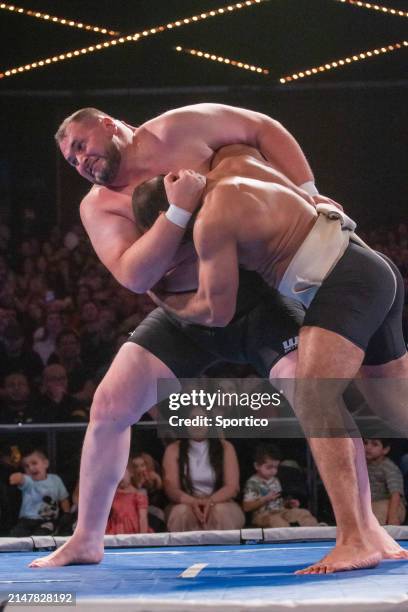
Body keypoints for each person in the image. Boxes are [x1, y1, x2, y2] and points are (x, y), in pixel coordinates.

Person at [29, 103, 313, 568]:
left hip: (254, 300)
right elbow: (133, 274)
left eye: (81, 146)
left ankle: (360, 527)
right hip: (186, 313)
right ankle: (86, 538)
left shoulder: (179, 128)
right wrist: (177, 212)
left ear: (108, 123)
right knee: (108, 407)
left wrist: (310, 192)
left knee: (315, 395)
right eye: (71, 160)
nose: (80, 161)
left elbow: (265, 126)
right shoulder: (98, 204)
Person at [129, 145, 408, 573]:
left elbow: (218, 314)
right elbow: (262, 134)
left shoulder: (208, 224)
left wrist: (162, 297)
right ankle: (368, 535)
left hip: (343, 283)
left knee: (314, 399)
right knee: (401, 410)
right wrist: (311, 193)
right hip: (369, 265)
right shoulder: (237, 164)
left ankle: (355, 539)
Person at [162, 409, 244, 532]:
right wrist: (193, 502)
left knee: (220, 512)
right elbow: (171, 488)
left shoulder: (226, 447)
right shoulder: (173, 449)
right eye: (193, 419)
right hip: (185, 502)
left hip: (220, 501)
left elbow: (232, 486)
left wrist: (210, 502)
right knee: (181, 513)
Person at [243, 443, 318, 528]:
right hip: (262, 515)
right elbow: (246, 507)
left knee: (303, 513)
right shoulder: (252, 483)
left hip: (280, 511)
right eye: (269, 467)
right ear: (257, 466)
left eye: (276, 467)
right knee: (277, 521)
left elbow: (279, 502)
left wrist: (289, 504)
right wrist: (265, 499)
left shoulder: (275, 480)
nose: (273, 471)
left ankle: (315, 533)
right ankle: (288, 539)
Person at [9, 449, 70, 537]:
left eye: (34, 463)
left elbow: (63, 499)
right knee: (16, 536)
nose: (31, 468)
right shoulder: (29, 480)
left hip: (48, 521)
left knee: (41, 537)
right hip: (26, 520)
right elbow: (21, 479)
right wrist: (17, 477)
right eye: (26, 466)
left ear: (45, 463)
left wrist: (67, 514)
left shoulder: (55, 480)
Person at [364, 439, 406, 526]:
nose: (368, 447)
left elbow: (395, 494)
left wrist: (393, 517)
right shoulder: (362, 464)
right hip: (371, 504)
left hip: (391, 504)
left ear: (385, 450)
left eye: (374, 444)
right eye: (365, 443)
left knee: (378, 514)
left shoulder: (388, 467)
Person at [106, 463, 150, 535]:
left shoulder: (138, 495)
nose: (120, 478)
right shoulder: (111, 495)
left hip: (133, 532)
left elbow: (143, 517)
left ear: (131, 473)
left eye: (122, 473)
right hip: (115, 532)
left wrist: (143, 537)